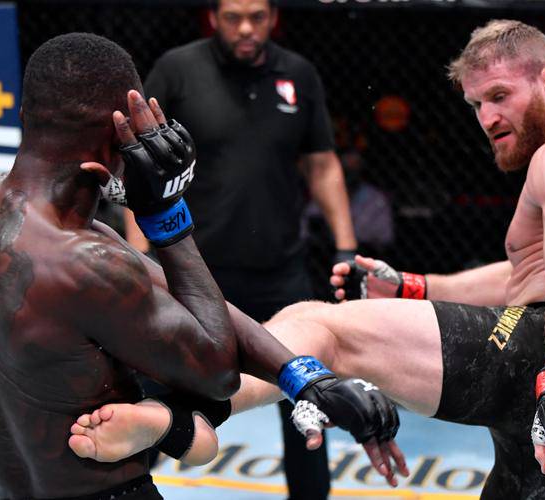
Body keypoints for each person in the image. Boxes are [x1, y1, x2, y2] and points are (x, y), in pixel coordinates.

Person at [69, 19, 545, 498]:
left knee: (321, 326)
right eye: (476, 104)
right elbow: (535, 274)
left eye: (500, 96)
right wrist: (415, 285)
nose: (487, 118)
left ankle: (181, 417)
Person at [0, 32, 403, 500]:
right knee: (191, 420)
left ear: (27, 116)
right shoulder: (86, 261)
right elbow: (218, 372)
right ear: (118, 142)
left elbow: (178, 294)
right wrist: (168, 218)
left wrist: (306, 379)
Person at [125, 1, 359, 497]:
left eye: (257, 16)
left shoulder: (298, 74)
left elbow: (321, 164)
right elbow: (138, 165)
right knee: (152, 397)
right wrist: (137, 255)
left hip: (280, 271)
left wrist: (346, 246)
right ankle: (125, 489)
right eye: (234, 17)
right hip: (193, 275)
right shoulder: (178, 69)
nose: (247, 28)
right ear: (213, 17)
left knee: (304, 397)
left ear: (274, 16)